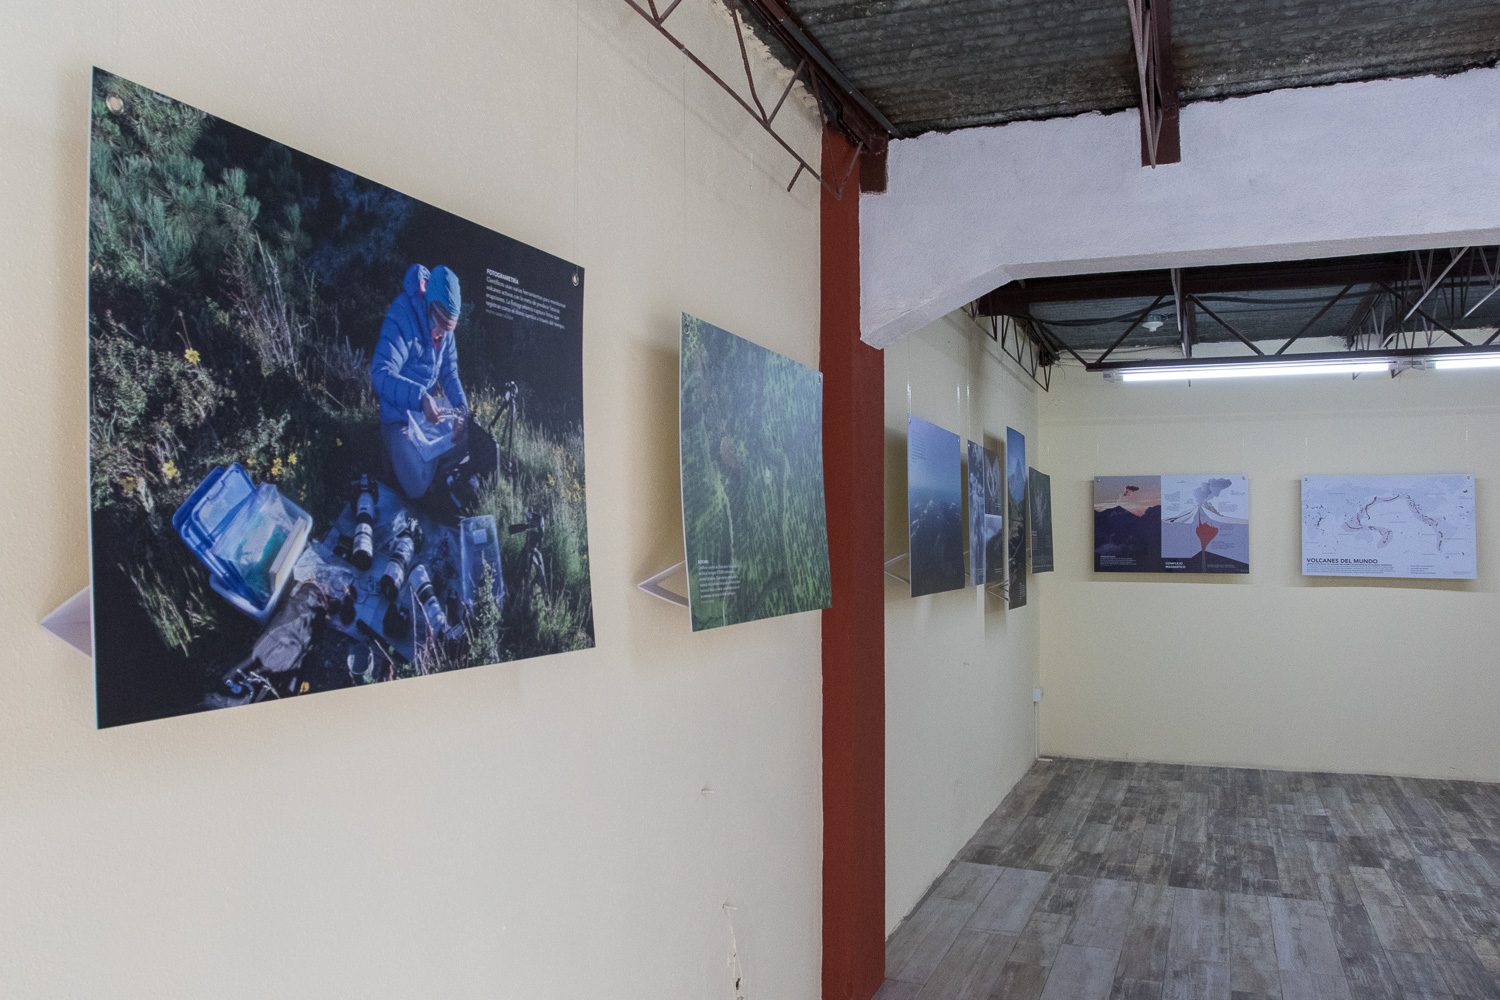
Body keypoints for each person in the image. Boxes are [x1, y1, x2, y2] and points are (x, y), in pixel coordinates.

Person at [371, 264, 470, 499]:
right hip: (399, 419)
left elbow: (450, 372)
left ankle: (429, 457)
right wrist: (420, 398)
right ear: (429, 306)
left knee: (468, 436)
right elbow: (380, 372)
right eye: (440, 326)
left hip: (424, 417)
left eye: (449, 329)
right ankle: (406, 456)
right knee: (417, 485)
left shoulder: (444, 330)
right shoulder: (402, 315)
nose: (443, 335)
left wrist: (461, 409)